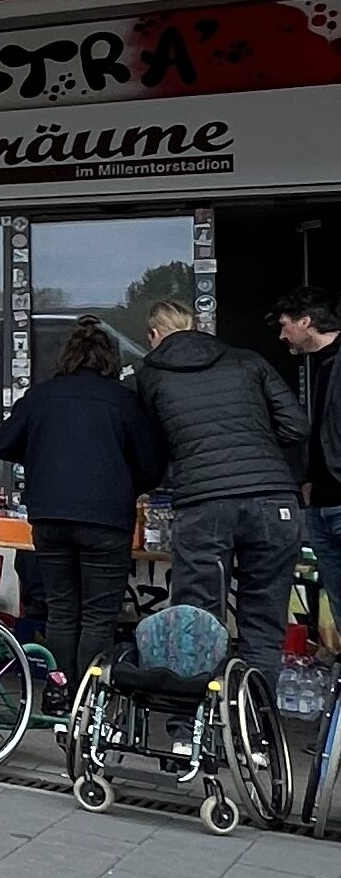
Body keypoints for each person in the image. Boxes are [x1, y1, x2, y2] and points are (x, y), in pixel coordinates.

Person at [135, 298, 306, 692]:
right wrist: (256, 448)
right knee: (264, 617)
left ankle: (191, 724)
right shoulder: (247, 360)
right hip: (274, 500)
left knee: (198, 616)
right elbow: (297, 426)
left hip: (204, 502)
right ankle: (257, 722)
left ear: (154, 335)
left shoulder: (152, 376)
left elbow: (151, 448)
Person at [0, 316, 167, 693]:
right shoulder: (123, 400)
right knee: (98, 617)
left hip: (50, 516)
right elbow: (152, 466)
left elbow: (2, 444)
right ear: (111, 361)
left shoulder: (41, 396)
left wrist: (41, 453)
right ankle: (90, 704)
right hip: (106, 521)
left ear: (66, 357)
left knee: (61, 610)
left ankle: (58, 692)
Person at [275, 287, 341, 639]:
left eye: (286, 324)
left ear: (306, 322)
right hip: (321, 503)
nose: (283, 335)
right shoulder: (319, 365)